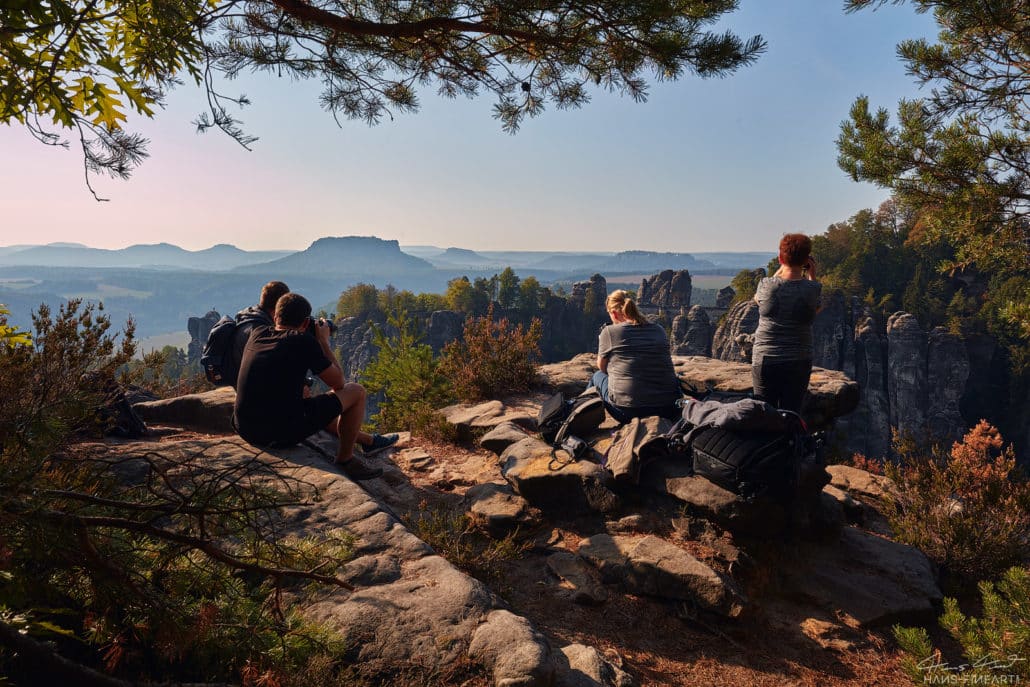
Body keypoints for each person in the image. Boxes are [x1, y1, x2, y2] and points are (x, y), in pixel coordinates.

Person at [233, 292, 397, 480]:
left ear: (276, 317)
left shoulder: (258, 333)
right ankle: (346, 460)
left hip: (245, 428)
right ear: (304, 323)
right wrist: (323, 341)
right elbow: (339, 383)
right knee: (356, 392)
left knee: (309, 399)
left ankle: (369, 441)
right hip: (277, 435)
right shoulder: (302, 341)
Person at [751, 232, 822, 413]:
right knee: (792, 414)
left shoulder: (767, 284)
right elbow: (816, 309)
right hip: (799, 359)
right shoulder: (812, 288)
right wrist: (811, 275)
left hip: (766, 358)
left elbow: (757, 300)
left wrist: (780, 269)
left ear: (780, 257)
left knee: (764, 414)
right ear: (807, 259)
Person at [589, 290, 681, 424]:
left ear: (614, 313)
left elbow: (602, 367)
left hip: (628, 412)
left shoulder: (609, 331)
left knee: (596, 376)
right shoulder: (659, 329)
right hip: (670, 409)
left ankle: (582, 421)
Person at [227, 280, 290, 389]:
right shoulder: (262, 332)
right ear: (280, 307)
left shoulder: (248, 319)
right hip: (252, 392)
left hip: (239, 384)